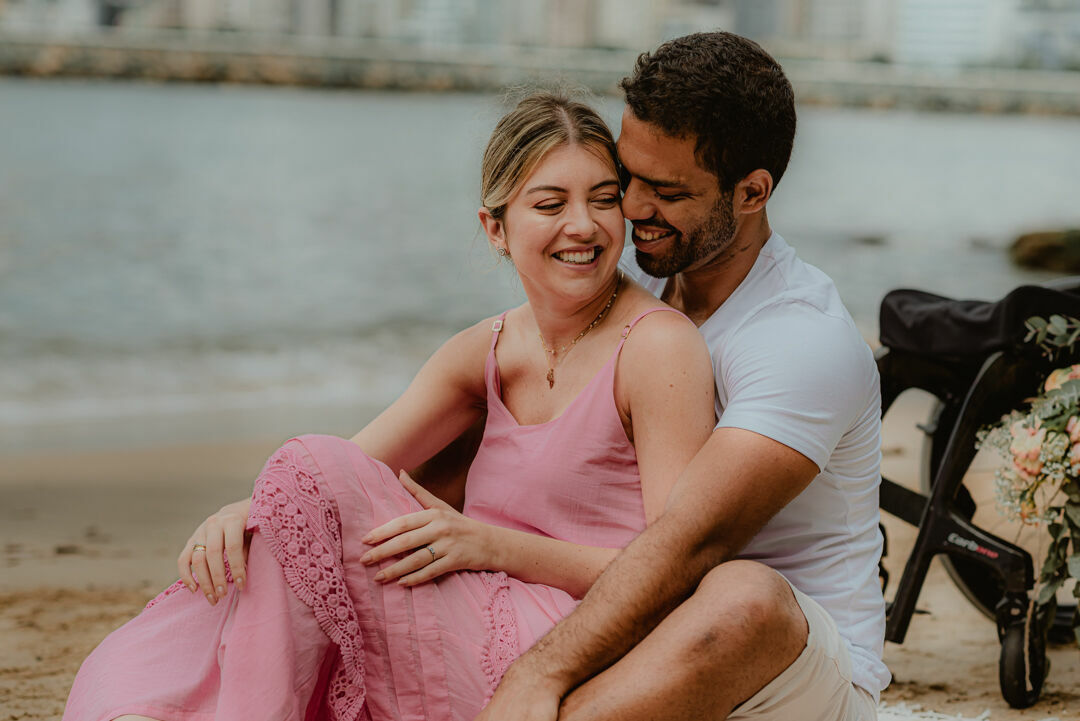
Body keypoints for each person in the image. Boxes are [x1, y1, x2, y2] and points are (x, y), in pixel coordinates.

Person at [61, 93, 717, 721]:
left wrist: (490, 545)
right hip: (458, 600)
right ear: (494, 227)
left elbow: (673, 572)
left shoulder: (657, 346)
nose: (583, 224)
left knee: (304, 467)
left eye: (603, 200)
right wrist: (240, 514)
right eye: (551, 203)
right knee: (277, 510)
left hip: (564, 639)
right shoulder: (484, 350)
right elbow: (341, 474)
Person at [474, 31, 890, 721]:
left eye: (665, 191)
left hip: (785, 669)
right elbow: (506, 391)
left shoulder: (802, 339)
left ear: (752, 191)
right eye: (625, 176)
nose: (632, 208)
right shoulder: (630, 268)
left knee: (743, 594)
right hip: (627, 625)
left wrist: (537, 672)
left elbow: (688, 543)